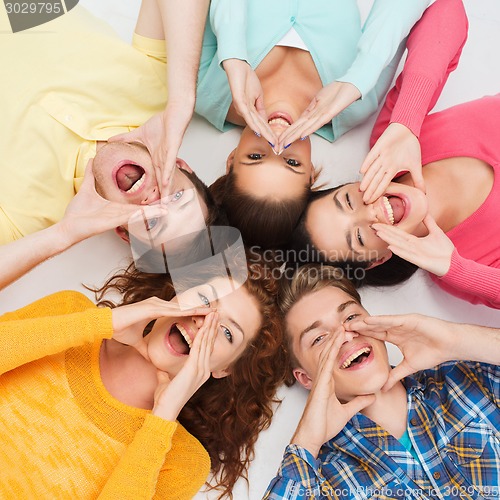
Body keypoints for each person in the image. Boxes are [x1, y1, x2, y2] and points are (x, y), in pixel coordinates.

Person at [0, 228, 287, 498]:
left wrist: (161, 420)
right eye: (204, 299)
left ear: (225, 368)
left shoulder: (182, 460)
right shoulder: (71, 314)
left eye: (226, 332)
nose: (204, 322)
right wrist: (104, 324)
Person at [291, 3, 500, 309]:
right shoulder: (463, 267)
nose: (370, 212)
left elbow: (445, 8)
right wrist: (456, 269)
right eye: (359, 238)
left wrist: (406, 121)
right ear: (377, 260)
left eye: (350, 201)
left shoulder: (389, 143)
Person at [196, 0, 441, 247]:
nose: (277, 142)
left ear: (231, 160)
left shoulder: (205, 91)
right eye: (292, 162)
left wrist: (233, 54)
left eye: (256, 157)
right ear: (311, 171)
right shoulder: (355, 104)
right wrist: (360, 75)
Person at [264, 264, 500, 499]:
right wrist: (307, 441)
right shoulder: (326, 481)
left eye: (351, 316)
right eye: (320, 338)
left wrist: (453, 339)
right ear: (306, 378)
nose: (346, 336)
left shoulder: (464, 381)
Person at [0, 0, 210, 244]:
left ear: (122, 231)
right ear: (180, 165)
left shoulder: (26, 219)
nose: (154, 201)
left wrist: (64, 234)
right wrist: (181, 101)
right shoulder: (159, 90)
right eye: (176, 197)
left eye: (152, 223)